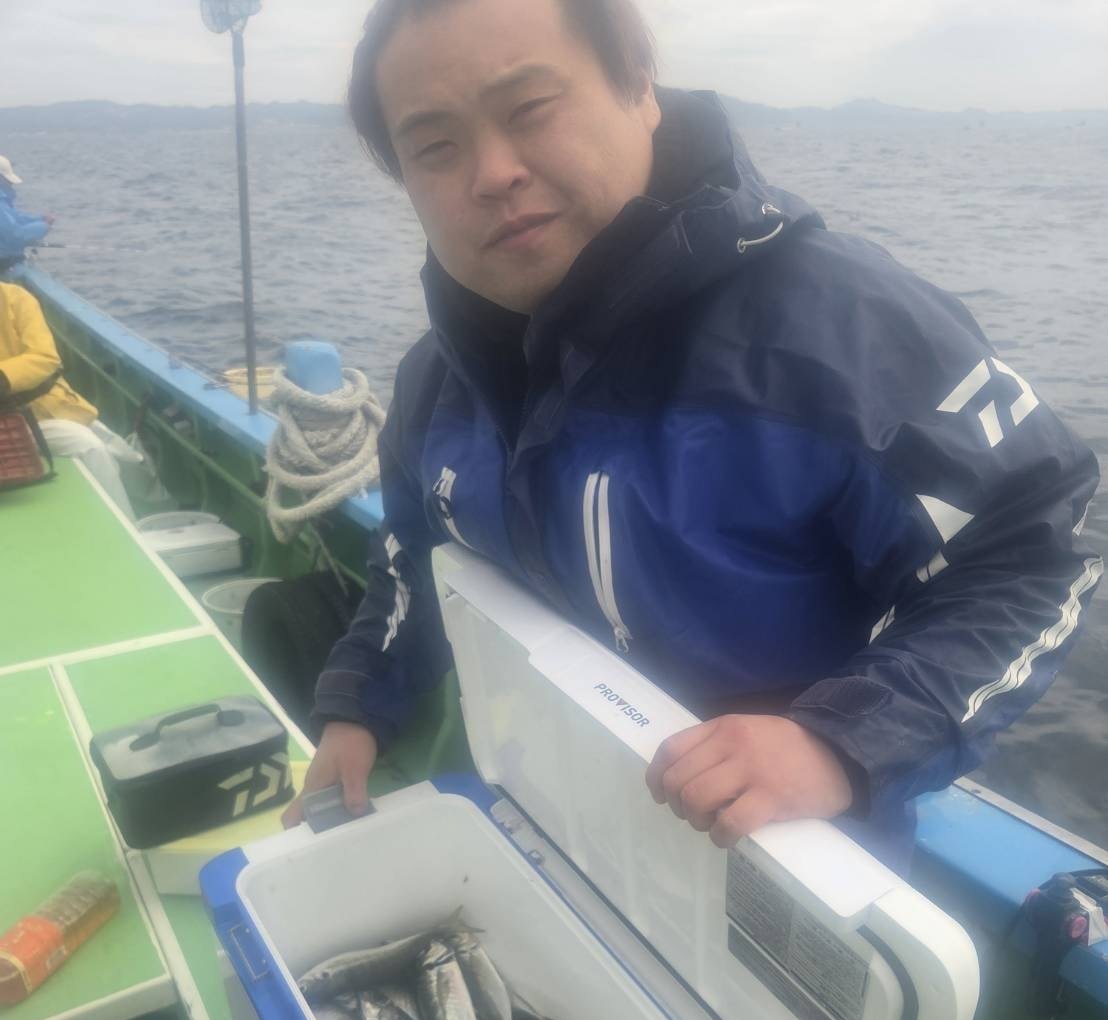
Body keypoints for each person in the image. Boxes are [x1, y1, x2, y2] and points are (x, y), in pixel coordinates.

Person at [285, 0, 1102, 868]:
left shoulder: (843, 331)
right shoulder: (435, 381)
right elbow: (413, 552)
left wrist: (838, 739)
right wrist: (358, 704)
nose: (492, 173)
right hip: (550, 815)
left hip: (783, 870)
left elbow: (1031, 553)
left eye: (529, 109)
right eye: (434, 147)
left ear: (640, 86)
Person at [0, 282, 138, 515]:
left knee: (109, 450)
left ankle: (130, 520)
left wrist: (3, 377)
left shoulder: (16, 298)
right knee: (91, 446)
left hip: (35, 415)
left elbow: (44, 357)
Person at [0, 156, 53, 272]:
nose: (11, 184)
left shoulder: (2, 203)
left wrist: (40, 219)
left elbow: (15, 219)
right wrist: (44, 226)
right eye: (8, 181)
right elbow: (14, 236)